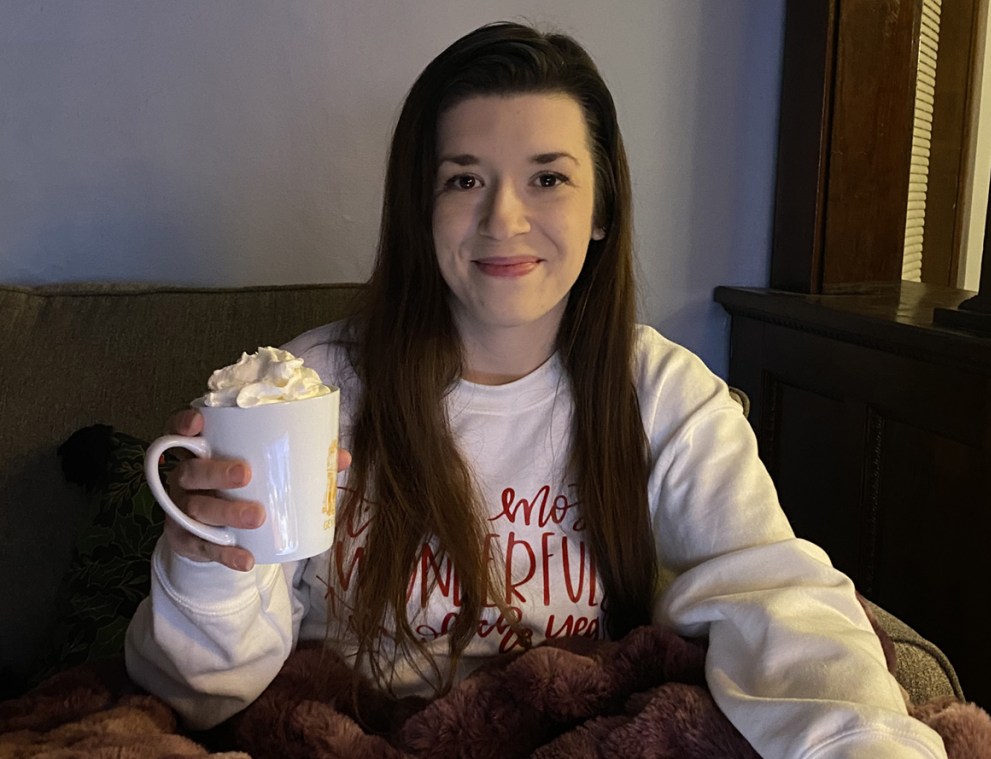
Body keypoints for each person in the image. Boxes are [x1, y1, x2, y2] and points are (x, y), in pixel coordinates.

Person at [125, 21, 948, 758]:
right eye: (463, 179)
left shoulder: (662, 394)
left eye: (548, 177)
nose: (504, 219)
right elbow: (199, 693)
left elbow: (773, 595)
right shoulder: (309, 389)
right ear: (421, 208)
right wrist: (203, 562)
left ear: (602, 210)